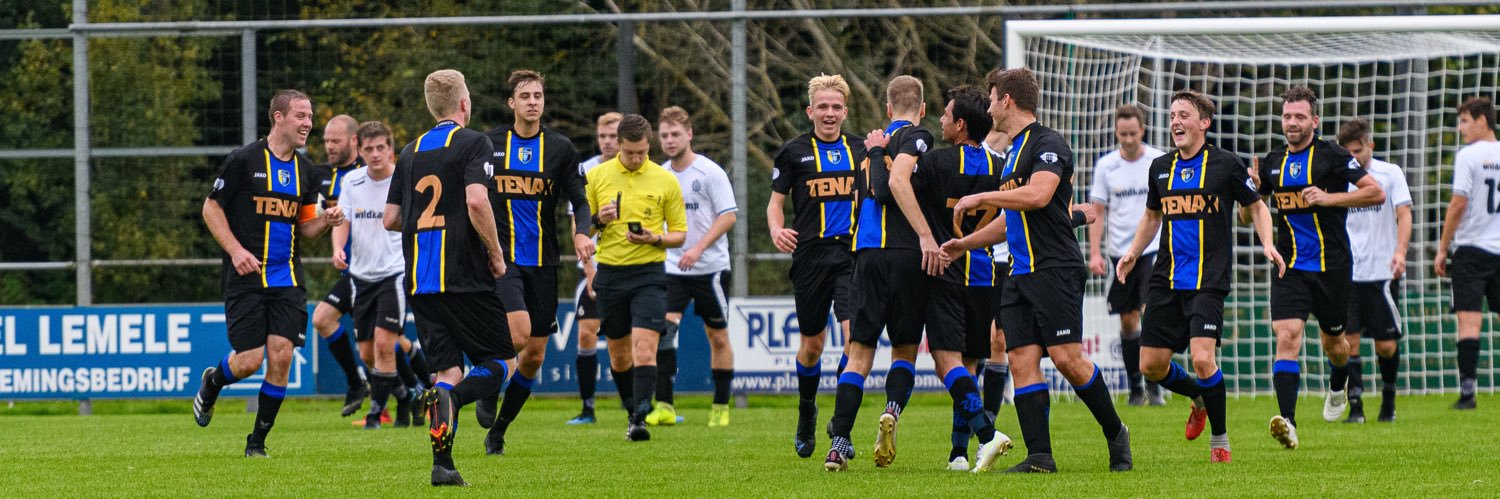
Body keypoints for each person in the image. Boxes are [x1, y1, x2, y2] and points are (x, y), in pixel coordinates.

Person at [951, 68, 1131, 473]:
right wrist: (965, 244)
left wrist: (980, 194)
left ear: (1007, 101)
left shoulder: (1048, 143)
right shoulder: (1012, 151)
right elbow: (1008, 221)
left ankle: (1116, 431)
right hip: (1020, 273)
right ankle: (1040, 457)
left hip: (1055, 268)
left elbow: (1038, 195)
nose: (989, 106)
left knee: (1067, 358)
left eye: (992, 97)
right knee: (1020, 360)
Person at [1116, 89, 1283, 464]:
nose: (1176, 121)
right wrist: (1131, 251)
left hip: (1209, 279)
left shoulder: (1225, 164)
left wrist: (1268, 245)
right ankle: (1198, 398)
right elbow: (1152, 216)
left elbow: (1256, 206)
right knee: (1151, 366)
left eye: (1184, 115)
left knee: (1203, 359)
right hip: (1166, 276)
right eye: (1173, 115)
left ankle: (1220, 441)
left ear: (1203, 123)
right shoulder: (1160, 166)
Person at [192, 89, 345, 458]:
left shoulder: (307, 172)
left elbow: (305, 229)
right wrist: (236, 250)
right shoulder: (244, 160)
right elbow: (211, 209)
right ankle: (213, 382)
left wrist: (326, 220)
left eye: (310, 117)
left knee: (281, 357)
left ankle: (256, 443)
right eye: (301, 116)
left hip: (287, 278)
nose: (308, 123)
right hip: (246, 277)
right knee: (249, 360)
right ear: (278, 118)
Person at [384, 69, 515, 486]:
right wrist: (495, 253)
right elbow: (477, 199)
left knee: (446, 370)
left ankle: (444, 465)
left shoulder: (408, 152)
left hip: (421, 282)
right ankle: (453, 401)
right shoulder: (476, 142)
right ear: (464, 104)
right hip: (465, 275)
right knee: (503, 361)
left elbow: (391, 219)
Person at [1252, 86, 1384, 449]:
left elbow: (1376, 192)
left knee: (1334, 344)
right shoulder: (1273, 161)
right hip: (1289, 266)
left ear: (1314, 120)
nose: (1291, 123)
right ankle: (1289, 423)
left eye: (1299, 116)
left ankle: (1339, 379)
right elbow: (1253, 214)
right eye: (1286, 116)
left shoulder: (1333, 155)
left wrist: (1330, 197)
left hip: (1333, 267)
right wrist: (1253, 194)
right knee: (1287, 335)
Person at [479, 70, 595, 455]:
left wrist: (582, 232)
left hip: (544, 262)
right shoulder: (489, 144)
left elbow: (580, 200)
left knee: (534, 356)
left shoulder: (560, 149)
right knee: (515, 334)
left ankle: (499, 430)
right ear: (511, 103)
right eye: (525, 95)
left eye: (538, 95)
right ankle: (488, 385)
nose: (533, 101)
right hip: (502, 259)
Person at [824, 74, 936, 470]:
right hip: (907, 254)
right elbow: (888, 190)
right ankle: (891, 409)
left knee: (858, 355)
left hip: (868, 253)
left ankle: (838, 443)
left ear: (887, 109)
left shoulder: (863, 148)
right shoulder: (918, 139)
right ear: (921, 109)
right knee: (904, 350)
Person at [767, 74, 864, 458]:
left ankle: (842, 425)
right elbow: (775, 202)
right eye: (822, 106)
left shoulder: (860, 150)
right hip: (809, 257)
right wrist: (777, 229)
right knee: (811, 347)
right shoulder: (793, 152)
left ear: (844, 111)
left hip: (851, 256)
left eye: (836, 106)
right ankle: (807, 411)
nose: (829, 113)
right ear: (810, 111)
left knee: (855, 339)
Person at [584, 113, 688, 442]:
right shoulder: (596, 176)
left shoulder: (665, 179)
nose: (637, 158)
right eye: (631, 153)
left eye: (643, 152)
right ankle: (632, 413)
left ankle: (641, 418)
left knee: (645, 350)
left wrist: (655, 238)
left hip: (649, 273)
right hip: (611, 273)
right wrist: (598, 220)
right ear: (619, 145)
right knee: (619, 354)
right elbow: (581, 232)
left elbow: (680, 235)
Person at [644, 106, 738, 427]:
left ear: (689, 134)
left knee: (718, 336)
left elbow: (728, 216)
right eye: (665, 135)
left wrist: (697, 248)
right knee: (664, 331)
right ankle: (666, 406)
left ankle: (721, 406)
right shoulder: (658, 174)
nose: (670, 140)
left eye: (675, 134)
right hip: (671, 268)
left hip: (710, 268)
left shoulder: (710, 172)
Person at [334, 121, 419, 429]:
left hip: (394, 272)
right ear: (359, 151)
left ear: (390, 150)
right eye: (367, 149)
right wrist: (338, 249)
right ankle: (406, 393)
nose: (374, 154)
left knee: (385, 345)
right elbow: (342, 219)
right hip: (361, 275)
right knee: (368, 353)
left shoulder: (403, 178)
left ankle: (374, 415)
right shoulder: (353, 181)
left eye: (380, 147)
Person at [1089, 104, 1168, 406]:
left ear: (1143, 131)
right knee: (1128, 320)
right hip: (1119, 253)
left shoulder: (1157, 160)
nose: (1128, 139)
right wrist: (1095, 253)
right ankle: (1135, 387)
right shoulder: (1106, 166)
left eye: (1133, 133)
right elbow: (1097, 210)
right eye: (1123, 134)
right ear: (1116, 133)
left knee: (1152, 313)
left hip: (1151, 249)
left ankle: (1154, 384)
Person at [1336, 118, 1412, 422]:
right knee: (1349, 340)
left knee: (1386, 345)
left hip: (1383, 271)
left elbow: (1404, 214)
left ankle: (1388, 400)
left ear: (1371, 146)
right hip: (1348, 272)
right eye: (1348, 152)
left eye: (1359, 150)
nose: (1354, 157)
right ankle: (1356, 407)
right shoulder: (1340, 175)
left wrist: (1400, 251)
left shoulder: (1390, 173)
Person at [1435, 96, 1500, 411]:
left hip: (1472, 250)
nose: (1460, 128)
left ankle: (1468, 392)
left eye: (1464, 121)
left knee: (1469, 322)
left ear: (1482, 121)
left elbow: (1459, 202)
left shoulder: (1469, 155)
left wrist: (1443, 247)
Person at [307, 114, 372, 417]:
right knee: (324, 320)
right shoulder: (321, 176)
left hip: (376, 268)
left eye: (335, 141)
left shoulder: (372, 171)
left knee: (380, 345)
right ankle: (360, 384)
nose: (329, 146)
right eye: (326, 141)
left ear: (354, 140)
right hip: (351, 270)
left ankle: (410, 392)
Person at [567, 111, 623, 426]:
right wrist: (591, 273)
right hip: (594, 265)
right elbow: (579, 226)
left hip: (626, 265)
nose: (608, 142)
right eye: (603, 136)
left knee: (628, 340)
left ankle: (638, 405)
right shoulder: (584, 171)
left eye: (613, 136)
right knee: (587, 334)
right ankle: (588, 408)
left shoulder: (635, 169)